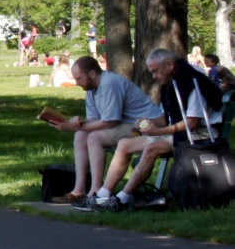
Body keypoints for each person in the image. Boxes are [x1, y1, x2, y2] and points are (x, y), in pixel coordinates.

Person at [88, 49, 223, 212]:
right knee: (124, 144)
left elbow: (191, 123)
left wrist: (158, 132)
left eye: (155, 71)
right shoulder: (171, 84)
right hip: (180, 132)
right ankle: (102, 195)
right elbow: (167, 118)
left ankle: (121, 198)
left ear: (169, 65)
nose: (154, 76)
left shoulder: (191, 83)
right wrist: (148, 123)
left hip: (199, 136)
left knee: (153, 148)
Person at [53, 56, 162, 208]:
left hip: (147, 125)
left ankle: (96, 191)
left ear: (92, 74)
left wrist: (74, 126)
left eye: (79, 78)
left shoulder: (109, 84)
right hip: (127, 124)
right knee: (80, 135)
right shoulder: (91, 89)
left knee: (95, 138)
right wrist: (77, 123)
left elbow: (110, 122)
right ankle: (79, 190)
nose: (76, 83)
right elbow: (94, 119)